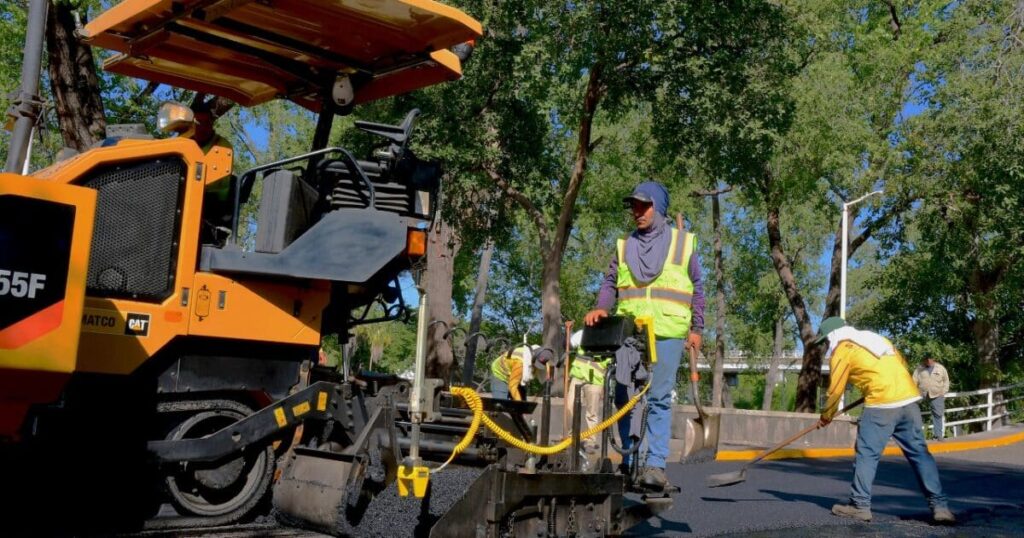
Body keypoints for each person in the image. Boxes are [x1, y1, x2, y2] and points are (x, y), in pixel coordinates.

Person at [584, 180, 704, 490]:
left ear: (659, 208)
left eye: (644, 205)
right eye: (634, 206)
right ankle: (628, 461)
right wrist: (601, 307)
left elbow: (698, 288)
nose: (637, 211)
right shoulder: (625, 245)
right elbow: (610, 282)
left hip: (668, 331)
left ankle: (656, 466)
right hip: (631, 333)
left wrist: (698, 329)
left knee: (659, 397)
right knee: (625, 396)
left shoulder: (683, 243)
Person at [815, 317, 955, 524]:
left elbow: (835, 389)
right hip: (908, 401)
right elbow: (901, 363)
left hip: (881, 405)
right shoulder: (877, 339)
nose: (827, 346)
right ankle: (940, 507)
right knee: (919, 453)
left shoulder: (843, 350)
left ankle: (859, 505)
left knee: (867, 454)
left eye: (826, 341)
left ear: (833, 335)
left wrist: (826, 416)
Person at [566, 330, 611, 454]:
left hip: (595, 380)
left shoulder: (609, 336)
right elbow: (571, 343)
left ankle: (591, 440)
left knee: (592, 412)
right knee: (570, 407)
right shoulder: (583, 333)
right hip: (578, 376)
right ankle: (571, 438)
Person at [913, 355, 950, 441]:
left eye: (930, 358)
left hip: (937, 394)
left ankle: (938, 435)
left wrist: (943, 392)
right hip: (921, 394)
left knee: (938, 414)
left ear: (933, 359)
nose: (928, 360)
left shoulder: (940, 368)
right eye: (926, 359)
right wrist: (914, 392)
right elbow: (914, 380)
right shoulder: (919, 368)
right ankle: (916, 435)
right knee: (913, 412)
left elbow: (946, 381)